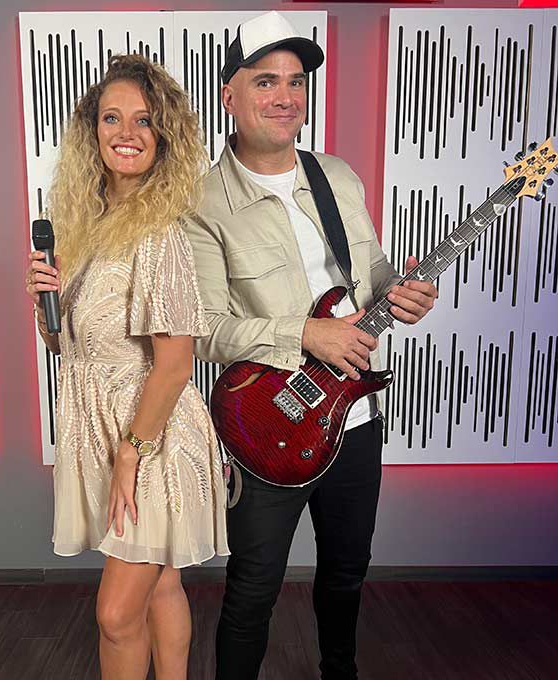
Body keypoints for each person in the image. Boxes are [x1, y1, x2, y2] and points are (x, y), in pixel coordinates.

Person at [184, 11, 438, 680]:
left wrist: (403, 290)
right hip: (270, 425)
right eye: (265, 81)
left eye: (295, 81)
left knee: (348, 573)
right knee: (253, 588)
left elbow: (371, 274)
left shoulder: (337, 176)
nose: (285, 97)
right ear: (229, 94)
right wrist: (303, 332)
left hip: (355, 417)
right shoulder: (201, 202)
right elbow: (204, 329)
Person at [24, 54, 229, 680]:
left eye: (144, 120)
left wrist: (129, 454)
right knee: (161, 585)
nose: (127, 132)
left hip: (151, 437)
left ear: (164, 136)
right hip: (108, 428)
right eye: (111, 118)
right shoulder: (85, 228)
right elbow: (71, 348)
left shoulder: (158, 232)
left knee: (116, 615)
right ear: (92, 131)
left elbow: (175, 364)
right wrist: (45, 307)